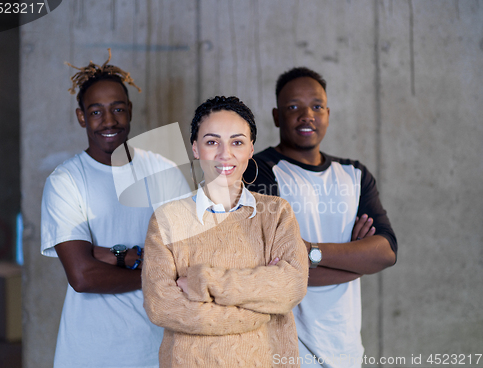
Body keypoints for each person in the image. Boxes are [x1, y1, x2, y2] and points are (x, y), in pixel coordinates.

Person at [40, 50, 189, 368]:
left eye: (118, 109)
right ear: (81, 116)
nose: (109, 121)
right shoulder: (65, 181)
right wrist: (142, 261)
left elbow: (186, 261)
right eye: (96, 112)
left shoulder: (163, 171)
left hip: (158, 349)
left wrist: (110, 255)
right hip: (90, 352)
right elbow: (82, 276)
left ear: (130, 110)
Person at [244, 67, 398, 368]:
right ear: (277, 116)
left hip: (347, 349)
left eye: (316, 106)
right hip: (285, 351)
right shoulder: (259, 171)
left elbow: (386, 252)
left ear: (328, 112)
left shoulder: (355, 174)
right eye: (293, 107)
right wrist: (355, 262)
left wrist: (309, 251)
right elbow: (269, 269)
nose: (307, 115)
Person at [142, 96, 309, 368]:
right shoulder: (167, 220)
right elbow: (162, 306)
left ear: (251, 149)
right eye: (211, 142)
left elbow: (291, 286)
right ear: (195, 149)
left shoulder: (277, 213)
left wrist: (204, 281)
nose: (225, 153)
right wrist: (259, 307)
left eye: (237, 142)